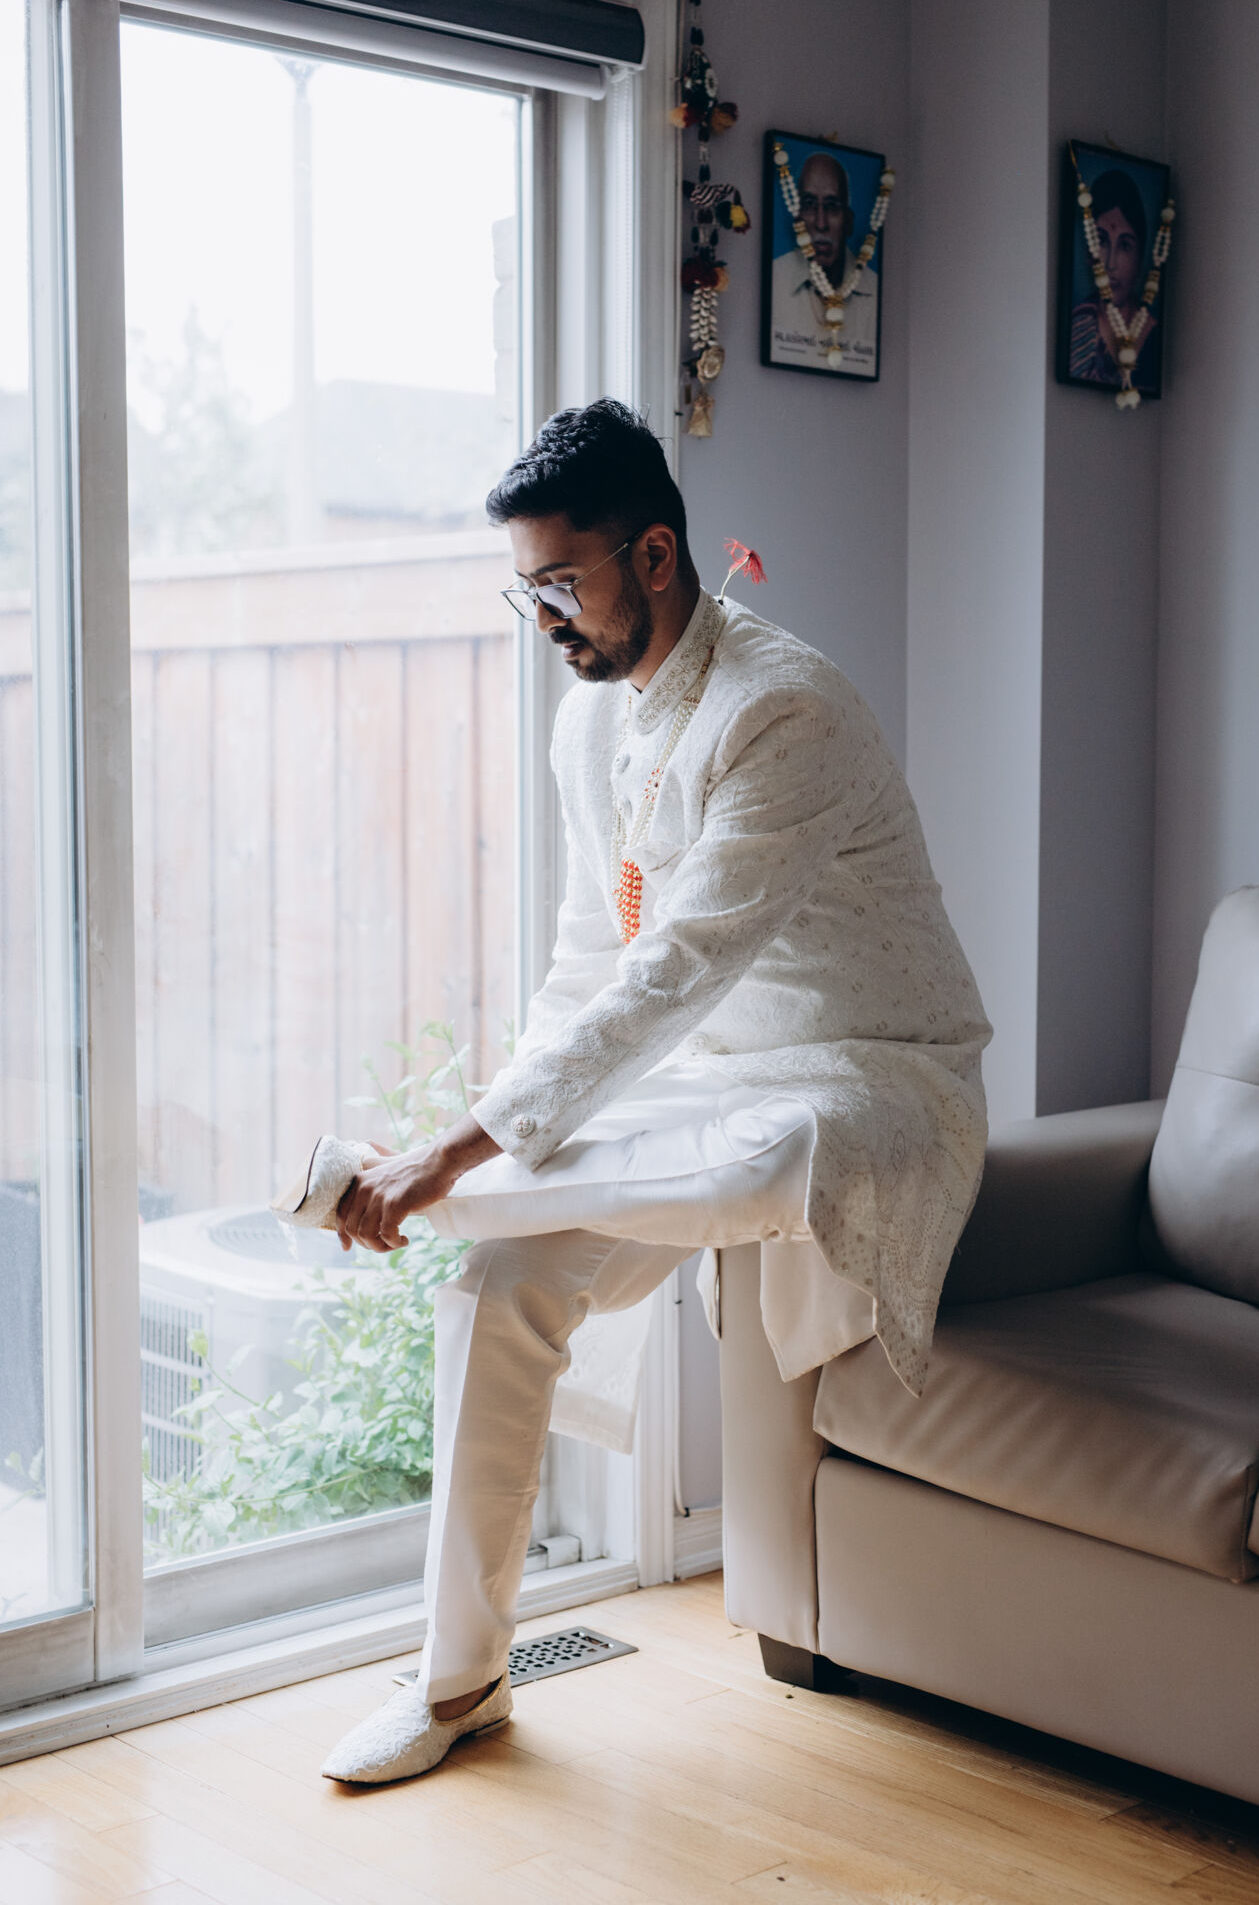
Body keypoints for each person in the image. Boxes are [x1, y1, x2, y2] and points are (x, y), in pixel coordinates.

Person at [319, 399, 990, 1784]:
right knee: (497, 1286)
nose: (544, 617)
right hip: (695, 1094)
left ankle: (419, 1197)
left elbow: (675, 971)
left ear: (657, 556)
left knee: (750, 1160)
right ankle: (459, 1685)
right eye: (526, 590)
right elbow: (588, 969)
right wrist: (487, 1142)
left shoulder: (784, 709)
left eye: (562, 583)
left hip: (865, 1084)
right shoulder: (589, 728)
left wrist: (449, 1159)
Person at [769, 151, 878, 374]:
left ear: (848, 222)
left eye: (832, 206)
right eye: (809, 205)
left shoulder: (875, 289)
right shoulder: (776, 279)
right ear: (798, 219)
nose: (821, 223)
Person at [1069, 167, 1159, 388]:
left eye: (1125, 245)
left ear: (1140, 256)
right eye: (1101, 241)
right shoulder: (1079, 325)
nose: (1110, 264)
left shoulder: (1155, 333)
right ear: (1089, 252)